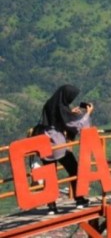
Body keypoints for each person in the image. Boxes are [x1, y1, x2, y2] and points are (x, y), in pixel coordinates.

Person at [35, 84, 93, 214]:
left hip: (43, 142)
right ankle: (79, 199)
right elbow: (75, 124)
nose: (70, 100)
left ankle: (51, 207)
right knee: (73, 168)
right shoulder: (62, 107)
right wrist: (87, 113)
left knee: (50, 174)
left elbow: (56, 118)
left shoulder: (50, 103)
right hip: (57, 143)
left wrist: (70, 113)